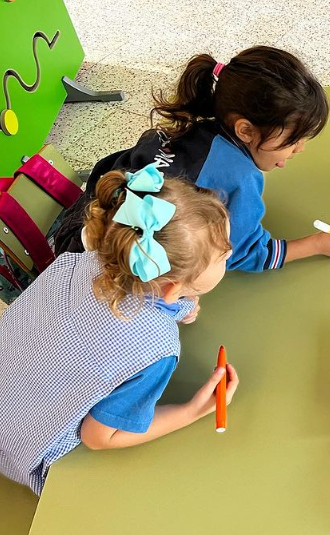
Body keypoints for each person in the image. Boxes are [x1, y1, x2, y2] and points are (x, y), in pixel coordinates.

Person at [0, 166, 239, 494]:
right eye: (224, 255)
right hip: (21, 451)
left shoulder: (89, 259)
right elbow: (98, 437)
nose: (230, 252)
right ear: (172, 288)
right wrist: (190, 411)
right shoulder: (157, 349)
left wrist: (180, 305)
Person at [55, 46, 330, 271]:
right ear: (245, 130)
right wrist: (317, 244)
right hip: (100, 269)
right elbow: (240, 253)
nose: (299, 149)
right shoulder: (240, 178)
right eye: (292, 141)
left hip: (80, 225)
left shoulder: (199, 127)